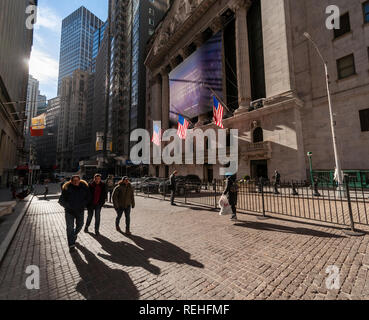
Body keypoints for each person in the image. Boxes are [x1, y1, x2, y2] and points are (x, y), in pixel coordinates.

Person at [58, 175, 91, 252]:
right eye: (74, 180)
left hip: (80, 211)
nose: (76, 182)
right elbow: (61, 200)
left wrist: (84, 204)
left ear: (79, 180)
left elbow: (89, 197)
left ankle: (74, 234)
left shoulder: (84, 187)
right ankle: (71, 245)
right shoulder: (66, 188)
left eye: (77, 180)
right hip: (69, 212)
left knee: (80, 224)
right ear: (71, 181)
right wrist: (68, 206)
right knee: (70, 228)